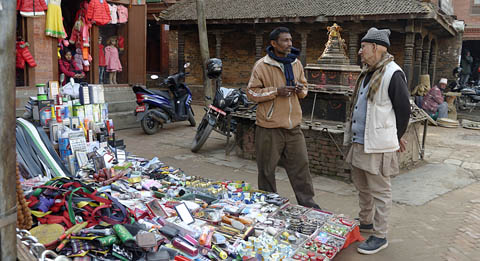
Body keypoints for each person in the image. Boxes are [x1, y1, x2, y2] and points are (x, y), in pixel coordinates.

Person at [344, 27, 411, 255]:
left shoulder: (393, 73)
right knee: (362, 187)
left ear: (375, 47)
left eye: (363, 47)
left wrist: (396, 137)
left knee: (380, 192)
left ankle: (380, 236)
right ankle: (366, 222)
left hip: (378, 145)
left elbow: (403, 111)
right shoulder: (367, 72)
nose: (360, 51)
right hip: (360, 141)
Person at [246, 27, 320, 209]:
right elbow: (251, 92)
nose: (289, 44)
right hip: (269, 127)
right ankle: (270, 204)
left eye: (290, 40)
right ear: (273, 43)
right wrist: (276, 91)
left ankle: (308, 203)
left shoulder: (296, 63)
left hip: (293, 126)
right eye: (285, 40)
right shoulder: (262, 65)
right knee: (267, 170)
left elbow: (304, 89)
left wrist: (299, 89)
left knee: (301, 166)